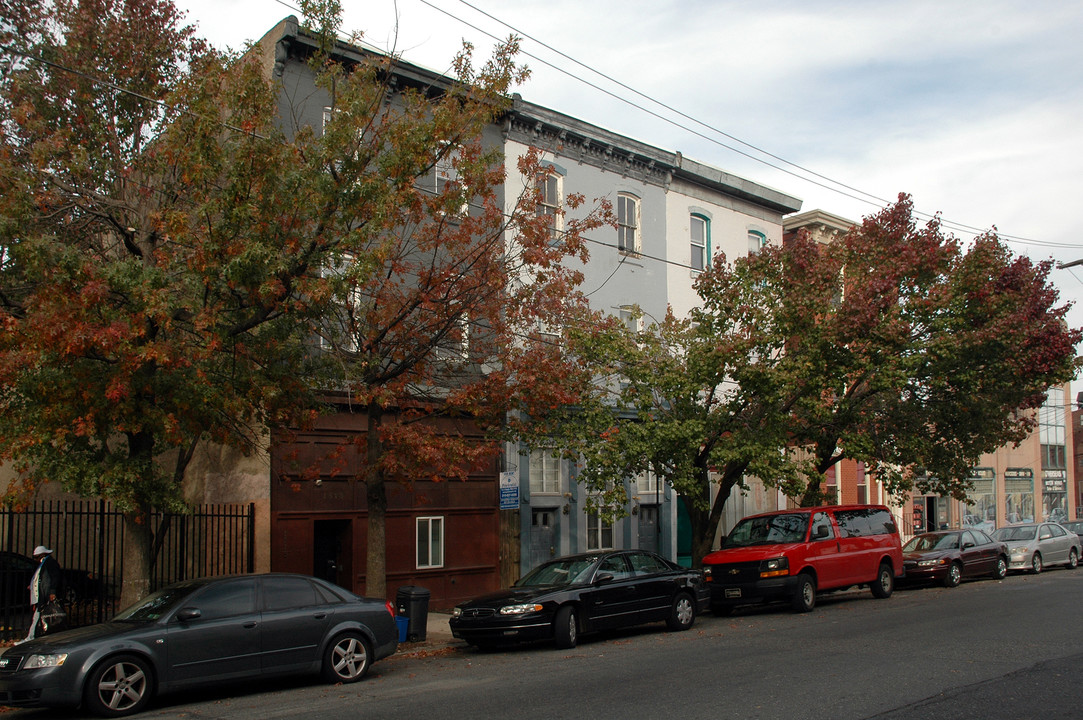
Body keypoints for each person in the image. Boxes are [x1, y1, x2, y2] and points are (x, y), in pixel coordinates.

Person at [18, 545, 61, 643]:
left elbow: (54, 577)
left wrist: (52, 591)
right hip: (41, 595)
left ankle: (31, 637)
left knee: (38, 616)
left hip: (44, 595)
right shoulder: (44, 563)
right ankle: (32, 636)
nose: (36, 559)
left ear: (43, 555)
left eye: (36, 557)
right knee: (37, 616)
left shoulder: (50, 563)